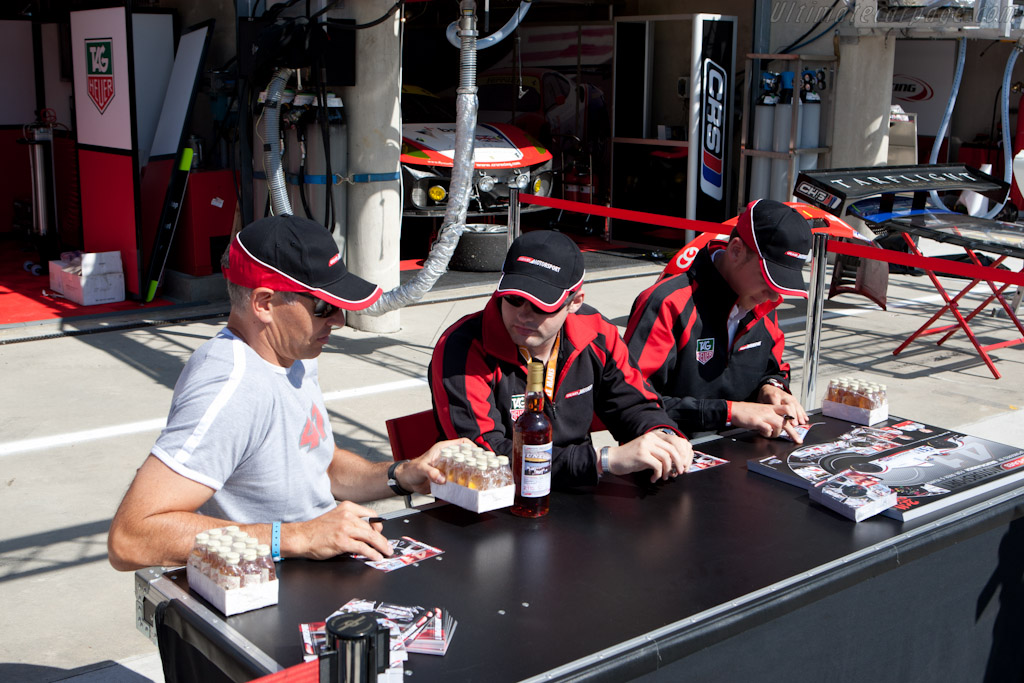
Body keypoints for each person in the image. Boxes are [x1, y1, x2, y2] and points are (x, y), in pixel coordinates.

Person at [108, 215, 466, 571]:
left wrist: (401, 474)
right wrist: (297, 537)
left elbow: (317, 464)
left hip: (311, 568)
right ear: (264, 304)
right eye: (324, 307)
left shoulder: (293, 353)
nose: (339, 320)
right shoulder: (231, 386)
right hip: (266, 585)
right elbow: (132, 537)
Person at [430, 230, 693, 488]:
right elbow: (485, 461)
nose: (523, 314)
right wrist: (602, 461)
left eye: (541, 304)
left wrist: (663, 436)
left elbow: (634, 405)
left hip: (579, 496)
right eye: (513, 298)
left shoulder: (597, 332)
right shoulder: (461, 348)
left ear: (575, 301)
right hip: (497, 507)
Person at [624, 199, 812, 442]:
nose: (775, 295)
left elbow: (772, 368)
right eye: (769, 279)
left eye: (782, 284)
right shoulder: (669, 303)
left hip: (744, 457)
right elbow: (632, 401)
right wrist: (729, 412)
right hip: (671, 460)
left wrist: (772, 387)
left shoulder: (762, 304)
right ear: (735, 251)